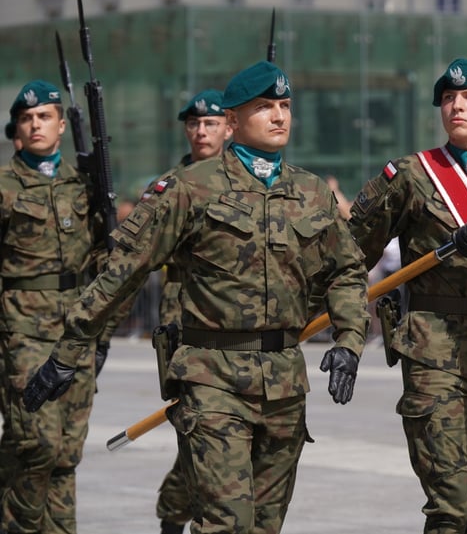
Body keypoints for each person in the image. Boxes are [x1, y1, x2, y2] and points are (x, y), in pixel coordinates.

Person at [22, 61, 370, 534]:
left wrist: (349, 338)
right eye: (263, 107)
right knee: (226, 523)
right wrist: (72, 347)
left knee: (265, 526)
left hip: (286, 385)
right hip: (212, 377)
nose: (278, 116)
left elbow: (347, 271)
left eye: (284, 106)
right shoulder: (191, 188)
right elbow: (124, 270)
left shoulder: (311, 193)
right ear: (233, 121)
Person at [348, 57, 467, 534]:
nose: (457, 105)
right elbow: (350, 256)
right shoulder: (412, 176)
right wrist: (347, 335)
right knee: (450, 504)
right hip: (432, 349)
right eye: (449, 98)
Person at [0, 80, 110, 533]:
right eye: (27, 118)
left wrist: (102, 331)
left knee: (66, 452)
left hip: (75, 331)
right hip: (23, 328)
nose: (35, 124)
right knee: (36, 444)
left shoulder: (84, 183)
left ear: (62, 125)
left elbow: (107, 256)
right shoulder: (5, 186)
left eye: (44, 116)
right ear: (18, 130)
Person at [154, 88, 232, 534]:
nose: (201, 131)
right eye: (193, 124)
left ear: (229, 126)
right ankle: (177, 511)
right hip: (185, 321)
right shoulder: (170, 186)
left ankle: (181, 510)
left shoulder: (249, 179)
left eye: (210, 123)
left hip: (238, 321)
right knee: (197, 427)